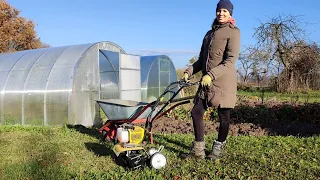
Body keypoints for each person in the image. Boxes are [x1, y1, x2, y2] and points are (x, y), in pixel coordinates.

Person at [181, 0, 240, 160]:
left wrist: (211, 75)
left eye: (225, 11)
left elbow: (230, 61)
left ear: (230, 14)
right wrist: (189, 72)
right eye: (219, 10)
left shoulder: (233, 32)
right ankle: (198, 150)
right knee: (196, 112)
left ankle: (217, 149)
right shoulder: (209, 34)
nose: (221, 13)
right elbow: (201, 60)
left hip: (223, 82)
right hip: (206, 83)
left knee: (224, 117)